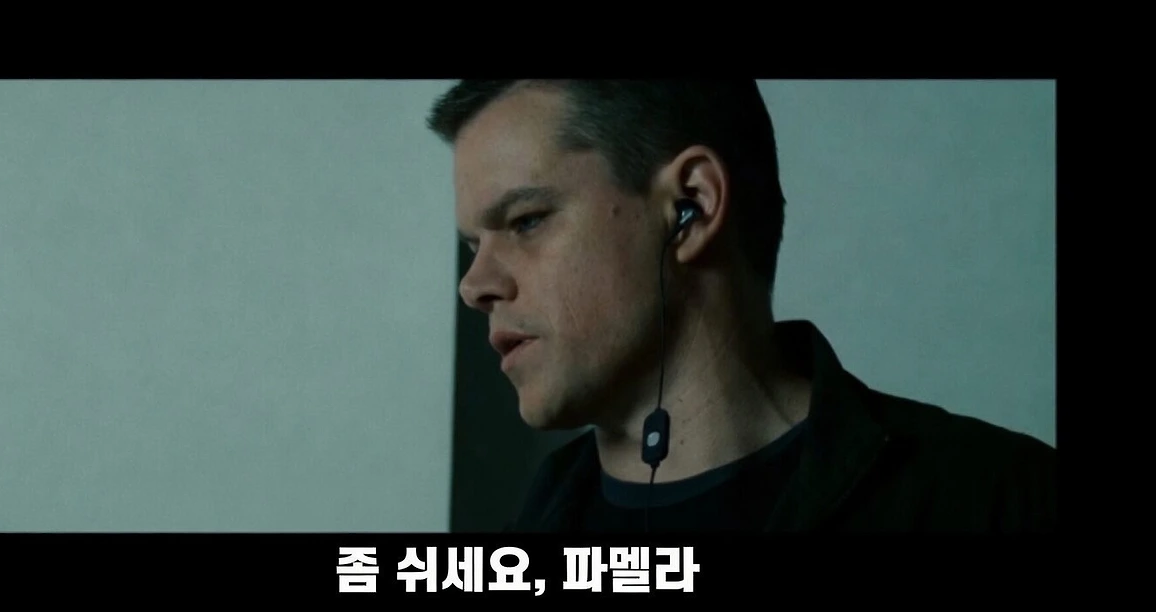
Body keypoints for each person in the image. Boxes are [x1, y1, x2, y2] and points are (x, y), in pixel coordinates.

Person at [426, 80, 1056, 533]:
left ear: (691, 207)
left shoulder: (1001, 500)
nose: (474, 285)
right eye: (473, 246)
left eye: (527, 220)